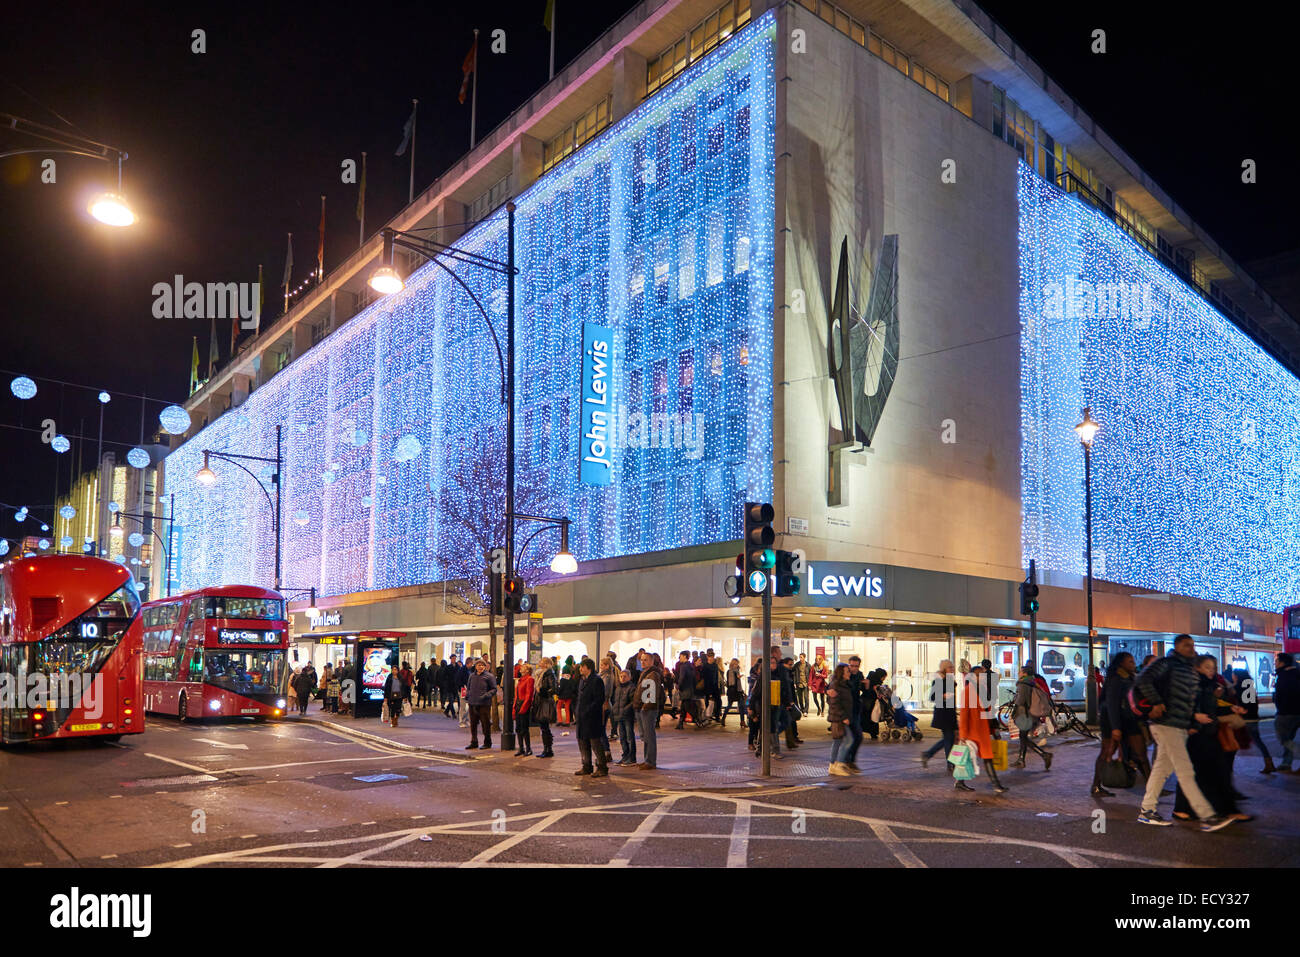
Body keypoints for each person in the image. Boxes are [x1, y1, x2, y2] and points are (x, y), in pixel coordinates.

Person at [1132, 634, 1234, 830]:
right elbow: (1143, 680)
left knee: (1161, 770)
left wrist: (1191, 721)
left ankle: (1147, 811)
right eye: (1187, 645)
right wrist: (1156, 701)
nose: (1191, 648)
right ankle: (1208, 816)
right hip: (1165, 723)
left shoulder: (1190, 669)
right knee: (1185, 770)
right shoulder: (1166, 663)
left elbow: (1190, 700)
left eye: (1192, 645)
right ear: (1177, 646)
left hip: (1178, 726)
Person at [1173, 656, 1249, 823]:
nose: (1211, 670)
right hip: (1196, 735)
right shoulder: (1192, 685)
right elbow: (1179, 706)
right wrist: (1194, 716)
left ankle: (1219, 809)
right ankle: (1186, 808)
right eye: (1207, 667)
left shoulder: (1209, 686)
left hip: (1208, 733)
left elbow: (1212, 708)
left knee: (1212, 772)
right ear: (1197, 668)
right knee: (1201, 772)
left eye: (1213, 667)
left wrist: (1231, 707)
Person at [1091, 652, 1150, 796]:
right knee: (1107, 752)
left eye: (1133, 661)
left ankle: (1152, 787)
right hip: (1113, 721)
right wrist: (1116, 728)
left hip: (1129, 720)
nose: (1133, 664)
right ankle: (1096, 786)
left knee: (1141, 753)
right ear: (1121, 664)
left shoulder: (1130, 678)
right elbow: (1111, 704)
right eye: (1130, 662)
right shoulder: (1116, 680)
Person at [956, 663, 1007, 793]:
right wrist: (963, 734)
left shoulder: (983, 690)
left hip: (982, 730)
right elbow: (964, 715)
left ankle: (995, 784)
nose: (981, 677)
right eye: (978, 675)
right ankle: (961, 782)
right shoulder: (967, 692)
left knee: (987, 756)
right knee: (968, 757)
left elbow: (987, 710)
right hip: (972, 731)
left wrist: (993, 727)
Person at [1230, 668, 1276, 773]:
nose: (1232, 676)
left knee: (1235, 740)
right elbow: (1252, 703)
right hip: (1253, 717)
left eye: (1233, 675)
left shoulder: (1238, 687)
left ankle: (1228, 765)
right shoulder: (1249, 686)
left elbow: (1244, 704)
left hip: (1245, 718)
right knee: (1257, 741)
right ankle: (1269, 763)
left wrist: (1242, 709)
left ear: (1237, 676)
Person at [1011, 664, 1052, 770]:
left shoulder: (1023, 683)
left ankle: (1044, 755)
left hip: (1025, 714)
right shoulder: (1032, 682)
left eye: (1020, 671)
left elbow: (1021, 701)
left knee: (1023, 737)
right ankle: (1021, 760)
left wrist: (1014, 703)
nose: (1018, 673)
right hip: (1031, 714)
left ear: (1024, 673)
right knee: (1023, 737)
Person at [574, 659, 609, 777]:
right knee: (583, 742)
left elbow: (599, 699)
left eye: (582, 667)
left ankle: (602, 767)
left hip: (592, 718)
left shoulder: (596, 680)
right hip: (582, 717)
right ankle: (586, 766)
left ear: (588, 668)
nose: (580, 669)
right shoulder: (582, 680)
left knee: (595, 743)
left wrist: (588, 710)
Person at [921, 659, 957, 769]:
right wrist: (943, 696)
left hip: (950, 712)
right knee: (948, 737)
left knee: (949, 738)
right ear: (944, 669)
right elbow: (932, 697)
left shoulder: (949, 679)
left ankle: (928, 754)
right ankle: (949, 763)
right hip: (943, 713)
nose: (952, 669)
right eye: (950, 667)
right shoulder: (939, 680)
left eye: (952, 667)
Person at [632, 652, 663, 769]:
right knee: (645, 735)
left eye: (645, 660)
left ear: (651, 661)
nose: (642, 662)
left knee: (649, 736)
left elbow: (650, 693)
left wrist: (645, 707)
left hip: (648, 710)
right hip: (642, 708)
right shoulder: (645, 673)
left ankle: (650, 761)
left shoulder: (652, 674)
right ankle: (647, 760)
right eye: (641, 660)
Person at [826, 663, 858, 775]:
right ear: (842, 673)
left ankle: (832, 765)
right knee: (849, 740)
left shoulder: (845, 684)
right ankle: (839, 763)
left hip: (841, 717)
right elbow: (834, 703)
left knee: (837, 741)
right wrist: (844, 717)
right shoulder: (836, 685)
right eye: (847, 671)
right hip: (839, 718)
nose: (849, 672)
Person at [1274, 652, 1300, 773]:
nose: (1275, 663)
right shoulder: (1297, 673)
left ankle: (1288, 760)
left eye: (1277, 661)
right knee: (1289, 737)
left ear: (1282, 663)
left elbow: (1281, 695)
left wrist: (1278, 705)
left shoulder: (1284, 676)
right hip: (1297, 711)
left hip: (1286, 712)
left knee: (1283, 738)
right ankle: (1286, 763)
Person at [464, 658, 497, 750]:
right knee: (473, 724)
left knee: (485, 724)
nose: (480, 667)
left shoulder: (489, 676)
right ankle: (474, 741)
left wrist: (486, 695)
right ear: (475, 666)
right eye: (479, 665)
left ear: (485, 667)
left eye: (482, 665)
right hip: (472, 702)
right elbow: (469, 687)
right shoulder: (472, 676)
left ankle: (487, 742)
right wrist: (468, 694)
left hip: (484, 704)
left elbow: (494, 689)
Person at [842, 656, 865, 769]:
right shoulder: (845, 674)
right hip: (845, 711)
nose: (854, 668)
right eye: (851, 666)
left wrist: (867, 686)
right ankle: (844, 761)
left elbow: (861, 691)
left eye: (856, 666)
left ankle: (850, 760)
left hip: (855, 710)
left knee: (858, 737)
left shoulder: (860, 675)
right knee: (847, 739)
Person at [610, 668, 637, 766]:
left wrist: (626, 710)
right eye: (621, 676)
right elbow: (615, 701)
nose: (622, 678)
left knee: (629, 737)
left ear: (629, 677)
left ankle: (632, 758)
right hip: (619, 716)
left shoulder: (631, 687)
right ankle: (625, 756)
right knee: (622, 738)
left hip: (627, 716)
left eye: (625, 676)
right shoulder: (618, 688)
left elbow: (633, 701)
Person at [532, 657, 557, 758]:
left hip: (545, 702)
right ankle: (546, 749)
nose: (539, 662)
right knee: (543, 726)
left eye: (541, 661)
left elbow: (553, 689)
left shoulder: (549, 674)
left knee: (545, 726)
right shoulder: (540, 673)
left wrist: (541, 691)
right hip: (540, 701)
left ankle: (548, 749)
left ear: (546, 664)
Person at [674, 651, 701, 730]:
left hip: (684, 689)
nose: (680, 658)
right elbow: (694, 678)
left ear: (685, 656)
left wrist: (679, 686)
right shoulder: (690, 665)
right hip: (690, 688)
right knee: (684, 706)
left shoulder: (683, 666)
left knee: (687, 706)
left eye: (681, 656)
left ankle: (697, 720)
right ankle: (680, 723)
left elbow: (681, 678)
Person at [598, 655, 617, 764]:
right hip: (604, 704)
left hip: (604, 705)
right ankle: (605, 752)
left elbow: (605, 691)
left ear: (606, 665)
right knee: (601, 730)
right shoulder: (604, 675)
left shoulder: (607, 677)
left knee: (601, 730)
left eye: (602, 665)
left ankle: (606, 752)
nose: (600, 667)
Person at [514, 663, 535, 756]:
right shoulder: (520, 680)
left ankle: (528, 748)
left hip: (523, 704)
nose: (521, 668)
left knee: (524, 728)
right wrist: (514, 706)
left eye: (523, 667)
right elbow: (516, 695)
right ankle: (521, 747)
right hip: (519, 704)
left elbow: (529, 694)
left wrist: (524, 706)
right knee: (518, 728)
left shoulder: (529, 679)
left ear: (527, 670)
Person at [720, 657, 746, 727]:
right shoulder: (731, 671)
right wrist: (737, 677)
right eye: (736, 664)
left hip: (738, 691)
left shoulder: (736, 671)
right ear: (733, 664)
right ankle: (723, 718)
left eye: (737, 664)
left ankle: (742, 721)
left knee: (741, 706)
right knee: (729, 706)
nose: (737, 665)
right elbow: (731, 683)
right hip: (733, 692)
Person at [700, 650, 723, 725]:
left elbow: (716, 677)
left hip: (715, 687)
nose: (711, 658)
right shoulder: (705, 666)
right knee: (707, 702)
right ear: (707, 657)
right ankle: (705, 716)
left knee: (718, 701)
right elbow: (703, 677)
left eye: (712, 657)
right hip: (707, 687)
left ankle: (716, 716)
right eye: (710, 657)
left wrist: (717, 685)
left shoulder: (715, 665)